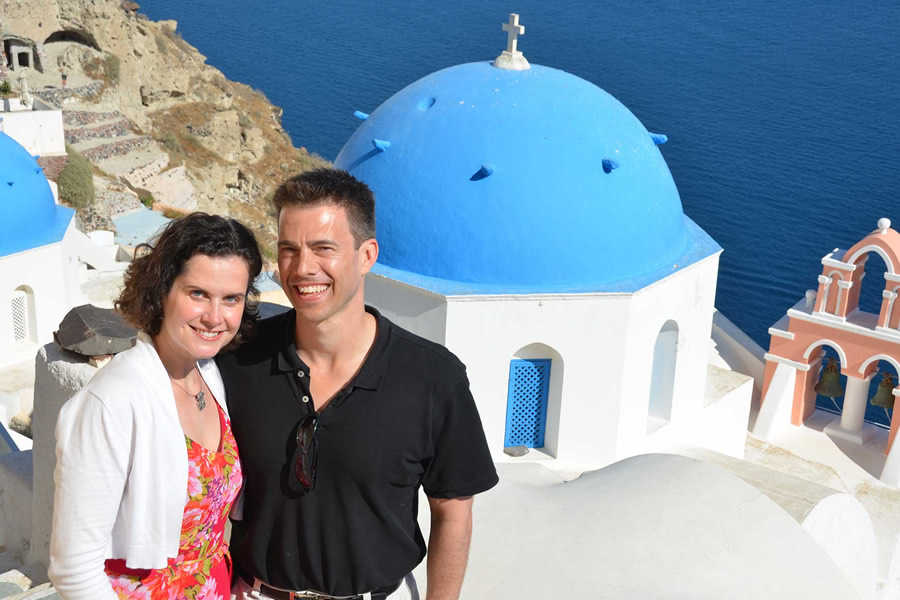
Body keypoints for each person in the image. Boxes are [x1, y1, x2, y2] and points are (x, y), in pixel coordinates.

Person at [218, 168, 499, 600]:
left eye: (323, 248)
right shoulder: (238, 361)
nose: (302, 268)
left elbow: (453, 511)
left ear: (366, 255)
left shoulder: (433, 378)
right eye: (289, 249)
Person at [49, 213, 263, 600]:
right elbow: (74, 569)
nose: (215, 317)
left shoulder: (210, 377)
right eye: (197, 293)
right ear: (162, 290)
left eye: (231, 298)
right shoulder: (110, 404)